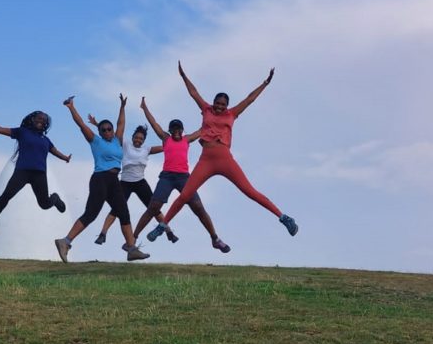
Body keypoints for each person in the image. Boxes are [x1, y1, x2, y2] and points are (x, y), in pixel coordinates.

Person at [149, 63, 298, 240]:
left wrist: (265, 83)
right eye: (217, 103)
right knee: (185, 195)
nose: (219, 107)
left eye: (223, 104)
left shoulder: (232, 113)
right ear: (213, 102)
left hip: (225, 159)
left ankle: (283, 217)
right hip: (206, 160)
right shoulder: (206, 109)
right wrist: (183, 76)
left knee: (249, 191)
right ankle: (163, 225)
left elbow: (250, 99)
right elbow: (193, 93)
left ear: (227, 105)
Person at [54, 95, 150, 263]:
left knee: (123, 213)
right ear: (99, 132)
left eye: (109, 129)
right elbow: (81, 124)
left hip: (114, 181)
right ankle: (65, 241)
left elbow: (121, 124)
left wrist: (122, 107)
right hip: (100, 179)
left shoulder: (117, 140)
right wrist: (71, 107)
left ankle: (131, 249)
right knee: (91, 213)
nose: (106, 131)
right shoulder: (95, 141)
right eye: (103, 129)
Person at [130, 97, 231, 253]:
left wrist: (211, 113)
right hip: (167, 177)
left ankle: (215, 239)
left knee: (198, 208)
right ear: (170, 130)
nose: (176, 131)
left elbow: (204, 128)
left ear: (182, 130)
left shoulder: (187, 139)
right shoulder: (165, 139)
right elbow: (154, 124)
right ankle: (132, 240)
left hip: (184, 178)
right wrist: (144, 108)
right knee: (153, 208)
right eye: (174, 129)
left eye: (179, 129)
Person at [84, 112, 177, 246]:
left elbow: (165, 147)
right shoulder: (125, 144)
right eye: (136, 137)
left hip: (140, 182)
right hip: (125, 183)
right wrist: (97, 124)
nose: (138, 140)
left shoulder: (147, 149)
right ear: (133, 137)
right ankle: (103, 234)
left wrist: (175, 144)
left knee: (154, 208)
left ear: (144, 140)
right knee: (116, 210)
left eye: (141, 139)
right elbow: (110, 132)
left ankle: (169, 232)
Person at [0, 109, 70, 230]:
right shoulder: (22, 132)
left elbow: (55, 151)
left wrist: (65, 158)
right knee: (6, 195)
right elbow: (1, 129)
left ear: (46, 124)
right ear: (33, 120)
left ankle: (55, 198)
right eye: (39, 118)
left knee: (44, 204)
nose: (41, 121)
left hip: (39, 174)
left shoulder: (46, 140)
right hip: (22, 172)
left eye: (44, 120)